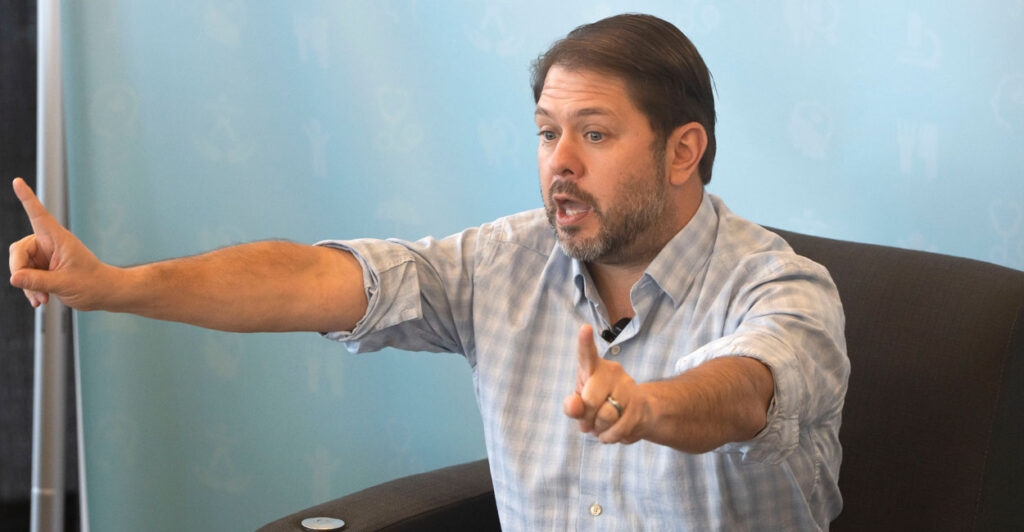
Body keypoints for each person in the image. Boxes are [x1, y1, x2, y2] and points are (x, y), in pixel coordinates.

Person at [9, 13, 849, 531]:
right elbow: (309, 281)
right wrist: (112, 285)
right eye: (546, 132)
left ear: (683, 150)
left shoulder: (783, 285)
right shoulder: (502, 261)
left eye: (593, 134)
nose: (559, 163)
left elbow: (748, 390)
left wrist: (650, 404)